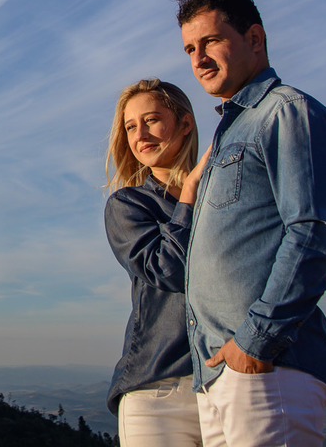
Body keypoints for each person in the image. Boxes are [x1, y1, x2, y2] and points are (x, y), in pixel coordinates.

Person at [175, 0, 326, 447]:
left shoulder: (286, 111)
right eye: (189, 49)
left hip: (268, 370)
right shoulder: (228, 133)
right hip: (221, 373)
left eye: (211, 41)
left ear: (254, 38)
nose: (198, 59)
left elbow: (313, 231)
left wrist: (256, 340)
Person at [104, 79, 206, 446]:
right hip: (156, 391)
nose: (140, 134)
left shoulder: (224, 198)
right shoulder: (128, 205)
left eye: (151, 120)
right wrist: (189, 198)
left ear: (185, 123)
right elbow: (168, 270)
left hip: (226, 381)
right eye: (131, 127)